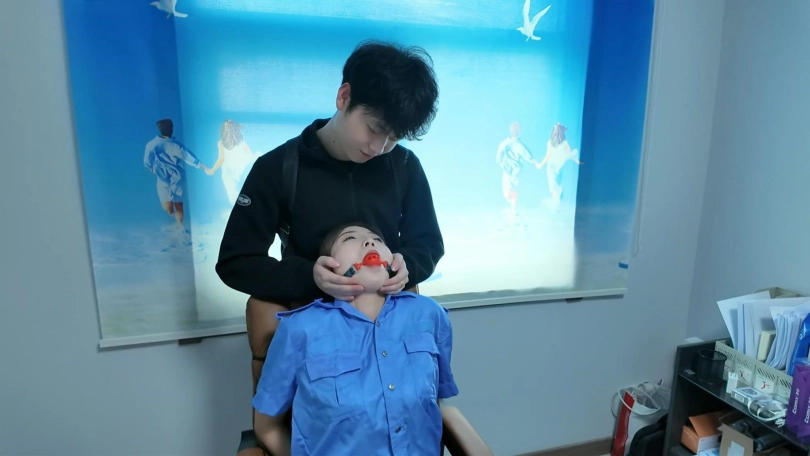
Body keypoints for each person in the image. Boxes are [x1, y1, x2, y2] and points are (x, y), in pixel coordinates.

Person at [215, 40, 445, 392]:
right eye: (374, 128)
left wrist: (407, 266)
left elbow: (427, 243)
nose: (378, 148)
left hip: (390, 340)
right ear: (344, 97)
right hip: (313, 346)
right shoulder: (279, 168)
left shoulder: (403, 165)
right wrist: (310, 277)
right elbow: (235, 261)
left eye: (394, 137)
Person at [252, 222, 458, 456]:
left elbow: (434, 402)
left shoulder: (429, 314)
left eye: (378, 240)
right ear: (328, 266)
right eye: (349, 238)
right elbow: (267, 428)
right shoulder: (299, 329)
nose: (370, 242)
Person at [143, 118, 209, 226]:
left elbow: (190, 158)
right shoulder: (154, 144)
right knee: (167, 204)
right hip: (164, 177)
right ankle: (174, 217)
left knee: (178, 203)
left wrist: (204, 168)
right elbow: (147, 161)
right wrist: (152, 168)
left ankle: (180, 227)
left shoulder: (173, 145)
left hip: (177, 177)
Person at [205, 119, 261, 207]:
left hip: (229, 173)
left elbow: (221, 159)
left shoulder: (221, 143)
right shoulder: (241, 141)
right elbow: (250, 154)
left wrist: (213, 169)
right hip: (241, 171)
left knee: (233, 196)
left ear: (223, 131)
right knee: (245, 195)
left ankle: (241, 212)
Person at [495, 121, 540, 224]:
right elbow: (527, 154)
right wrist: (535, 163)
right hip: (510, 170)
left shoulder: (515, 144)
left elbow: (527, 154)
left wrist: (535, 162)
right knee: (509, 191)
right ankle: (512, 207)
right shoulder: (507, 143)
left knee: (512, 189)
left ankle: (513, 210)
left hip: (513, 170)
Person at [535, 122, 582, 211]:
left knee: (554, 186)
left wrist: (540, 164)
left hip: (552, 167)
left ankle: (557, 204)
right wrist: (577, 161)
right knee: (557, 185)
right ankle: (557, 202)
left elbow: (548, 156)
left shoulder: (551, 143)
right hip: (559, 167)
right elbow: (570, 153)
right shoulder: (564, 143)